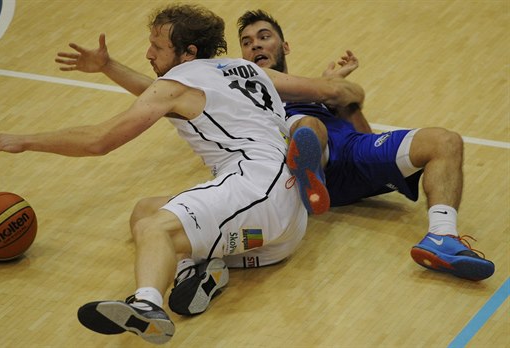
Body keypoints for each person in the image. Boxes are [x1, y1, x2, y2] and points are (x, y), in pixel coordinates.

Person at [0, 4, 364, 344]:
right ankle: (203, 270)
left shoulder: (180, 83)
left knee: (154, 229)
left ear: (188, 53)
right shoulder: (246, 69)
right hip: (277, 228)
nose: (148, 53)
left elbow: (100, 140)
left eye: (157, 47)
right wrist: (351, 104)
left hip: (255, 188)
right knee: (144, 212)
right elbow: (333, 92)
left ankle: (147, 305)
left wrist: (24, 140)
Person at [55, 10, 495, 283]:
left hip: (351, 158)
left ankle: (442, 238)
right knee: (302, 126)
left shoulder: (294, 82)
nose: (254, 45)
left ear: (284, 46)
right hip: (291, 173)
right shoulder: (240, 90)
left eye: (263, 37)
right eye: (246, 42)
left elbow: (352, 104)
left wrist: (337, 88)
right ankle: (307, 170)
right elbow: (161, 91)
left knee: (445, 141)